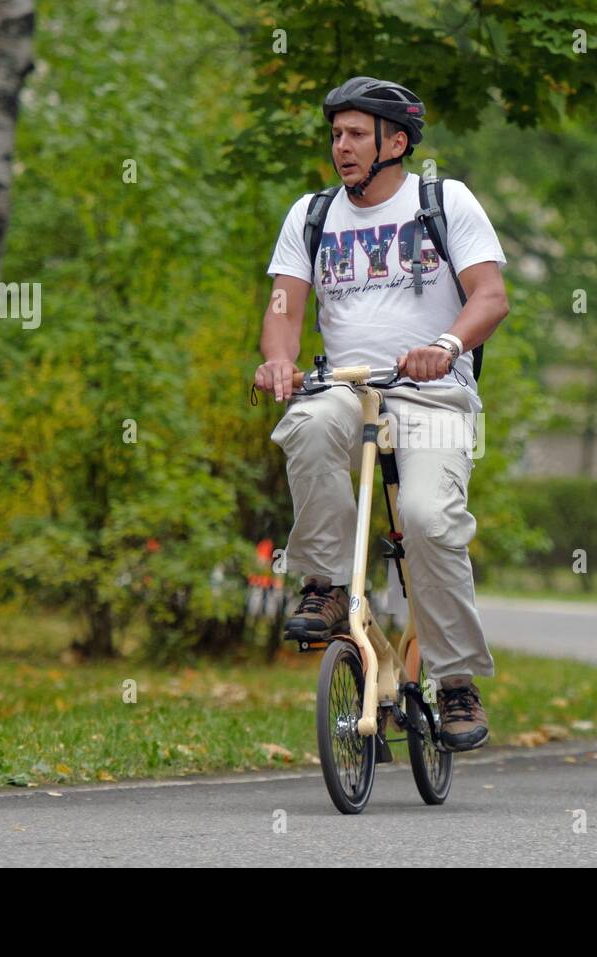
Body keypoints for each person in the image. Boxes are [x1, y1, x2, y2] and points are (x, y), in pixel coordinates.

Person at [253, 77, 509, 751]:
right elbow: (283, 309)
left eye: (356, 134)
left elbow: (490, 297)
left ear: (396, 142)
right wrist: (280, 360)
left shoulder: (444, 201)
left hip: (431, 392)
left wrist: (448, 344)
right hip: (347, 385)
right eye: (336, 134)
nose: (341, 146)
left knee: (428, 518)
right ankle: (327, 585)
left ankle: (455, 679)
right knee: (307, 423)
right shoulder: (311, 214)